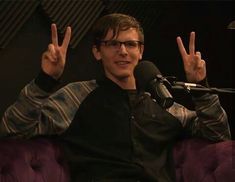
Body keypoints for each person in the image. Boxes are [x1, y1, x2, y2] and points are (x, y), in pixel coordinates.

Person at [0, 13, 231, 181]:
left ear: (140, 52)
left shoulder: (161, 101)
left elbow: (217, 133)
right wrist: (45, 80)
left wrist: (201, 86)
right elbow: (14, 129)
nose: (123, 51)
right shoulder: (75, 96)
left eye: (131, 44)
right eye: (113, 44)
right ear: (97, 51)